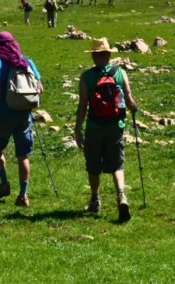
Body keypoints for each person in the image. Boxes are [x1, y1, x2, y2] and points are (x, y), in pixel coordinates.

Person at [75, 38, 138, 222]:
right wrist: (134, 108)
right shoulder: (120, 73)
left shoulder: (86, 76)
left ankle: (95, 199)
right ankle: (121, 196)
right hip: (115, 126)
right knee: (117, 163)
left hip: (94, 125)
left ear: (94, 56)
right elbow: (128, 99)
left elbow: (83, 104)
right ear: (109, 55)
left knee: (93, 164)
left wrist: (78, 129)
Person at [0, 32, 43, 207]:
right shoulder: (26, 61)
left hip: (4, 114)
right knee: (23, 155)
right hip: (24, 115)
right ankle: (23, 195)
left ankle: (4, 183)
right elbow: (40, 88)